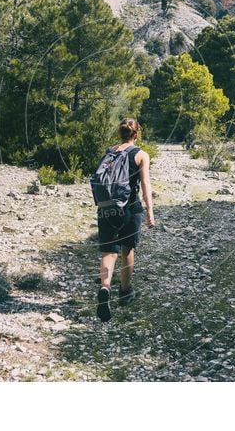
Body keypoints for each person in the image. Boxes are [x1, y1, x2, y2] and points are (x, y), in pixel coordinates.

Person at [96, 117, 155, 322]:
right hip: (129, 207)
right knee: (127, 248)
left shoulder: (109, 153)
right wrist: (150, 211)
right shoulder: (141, 155)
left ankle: (105, 287)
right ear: (137, 134)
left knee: (108, 251)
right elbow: (145, 183)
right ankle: (125, 291)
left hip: (106, 208)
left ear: (119, 133)